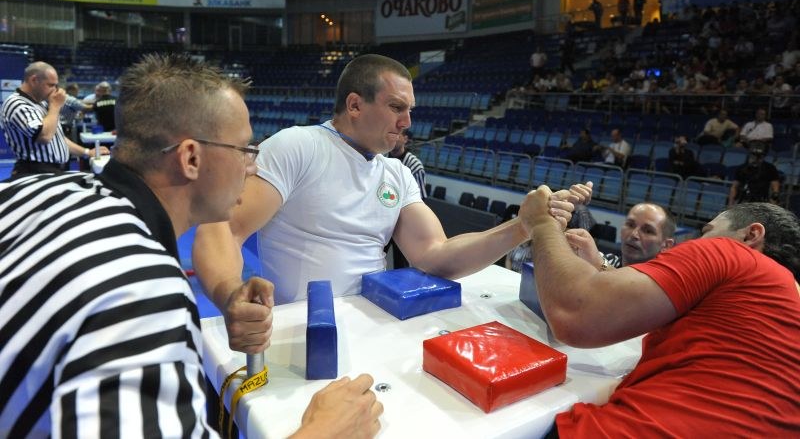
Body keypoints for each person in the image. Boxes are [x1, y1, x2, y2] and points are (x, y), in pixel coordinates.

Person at [0, 54, 382, 438]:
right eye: (245, 150)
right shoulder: (142, 292)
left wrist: (229, 294)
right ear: (191, 158)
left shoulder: (32, 191)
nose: (253, 167)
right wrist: (324, 432)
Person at [192, 54, 584, 317]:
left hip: (376, 321)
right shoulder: (298, 145)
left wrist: (521, 227)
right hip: (302, 327)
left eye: (410, 110)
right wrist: (231, 294)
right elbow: (225, 227)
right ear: (355, 105)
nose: (407, 122)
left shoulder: (396, 174)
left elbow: (436, 255)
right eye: (397, 107)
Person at [519, 187, 800, 436]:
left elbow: (576, 315)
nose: (703, 241)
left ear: (751, 234)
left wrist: (541, 223)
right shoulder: (779, 298)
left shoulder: (733, 254)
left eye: (708, 232)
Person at [0, 61, 109, 179]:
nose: (54, 90)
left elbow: (58, 138)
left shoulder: (40, 102)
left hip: (51, 169)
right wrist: (55, 106)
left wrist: (87, 152)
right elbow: (44, 136)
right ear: (34, 80)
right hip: (35, 172)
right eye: (51, 85)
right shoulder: (16, 104)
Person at [387, 128, 426, 269]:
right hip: (384, 219)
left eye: (399, 134)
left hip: (402, 223)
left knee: (401, 263)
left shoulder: (415, 165)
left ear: (405, 139)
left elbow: (420, 200)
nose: (396, 137)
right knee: (375, 257)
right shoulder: (382, 158)